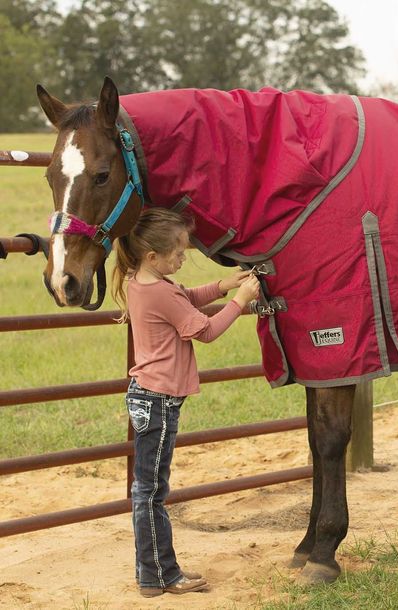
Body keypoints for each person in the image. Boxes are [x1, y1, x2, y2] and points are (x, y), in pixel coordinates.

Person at [111, 208, 261, 597]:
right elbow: (205, 329)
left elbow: (186, 298)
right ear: (153, 257)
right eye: (178, 253)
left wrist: (223, 285)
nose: (183, 259)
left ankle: (155, 570)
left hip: (149, 396)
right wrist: (241, 300)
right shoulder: (160, 290)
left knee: (148, 489)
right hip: (159, 401)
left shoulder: (141, 281)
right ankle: (161, 576)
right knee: (151, 492)